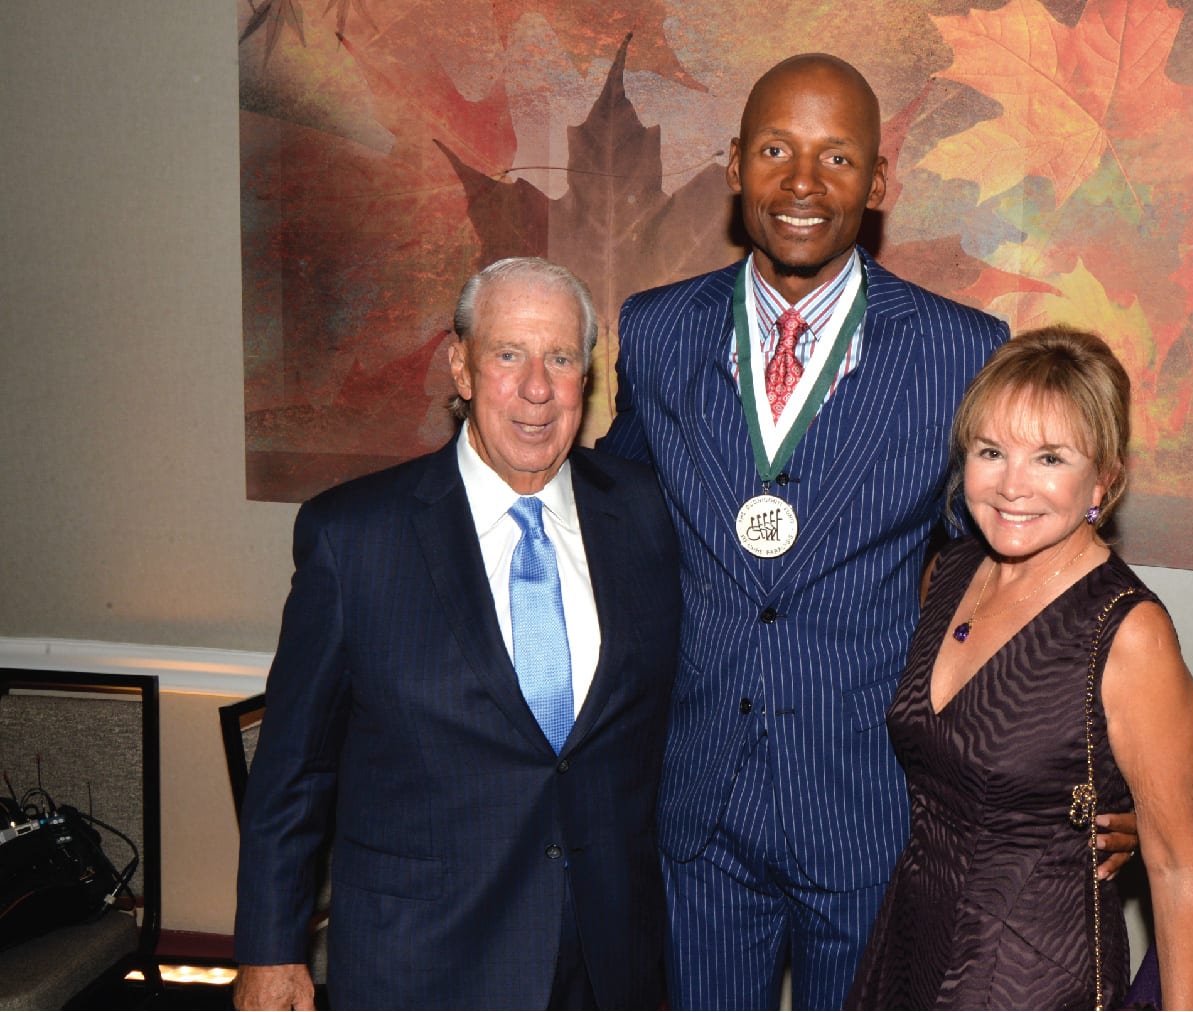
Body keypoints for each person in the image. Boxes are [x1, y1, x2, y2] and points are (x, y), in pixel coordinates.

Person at [600, 54, 1137, 1009]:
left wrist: (1099, 762)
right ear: (734, 166)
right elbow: (608, 524)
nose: (803, 183)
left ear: (878, 185)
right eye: (776, 150)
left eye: (838, 159)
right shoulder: (655, 332)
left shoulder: (960, 350)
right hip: (698, 810)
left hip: (873, 813)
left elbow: (1026, 557)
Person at [233, 257, 681, 1010]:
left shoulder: (646, 512)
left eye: (561, 358)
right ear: (462, 367)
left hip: (610, 962)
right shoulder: (355, 538)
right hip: (426, 965)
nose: (536, 388)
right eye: (509, 354)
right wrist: (271, 952)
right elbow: (293, 771)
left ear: (588, 375)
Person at [846, 326, 1193, 1009]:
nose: (1013, 485)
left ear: (1103, 475)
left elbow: (1176, 862)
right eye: (991, 451)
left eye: (1050, 457)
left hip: (1032, 976)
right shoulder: (950, 571)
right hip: (909, 944)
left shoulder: (1129, 633)